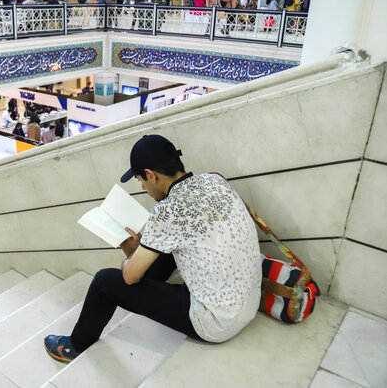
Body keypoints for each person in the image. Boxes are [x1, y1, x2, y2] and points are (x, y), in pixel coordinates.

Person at [44, 135, 262, 363]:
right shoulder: (214, 180)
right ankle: (143, 258)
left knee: (104, 282)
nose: (143, 187)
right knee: (164, 249)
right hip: (249, 303)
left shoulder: (167, 211)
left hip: (217, 322)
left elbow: (129, 277)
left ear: (151, 175)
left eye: (141, 180)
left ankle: (76, 345)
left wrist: (131, 254)